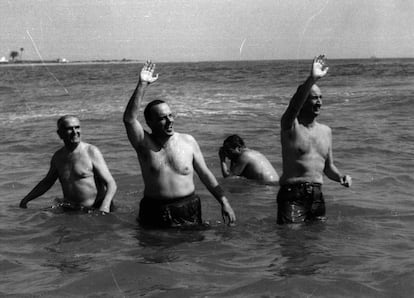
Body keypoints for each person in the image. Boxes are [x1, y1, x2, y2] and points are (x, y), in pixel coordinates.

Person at [123, 60, 236, 228]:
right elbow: (129, 119)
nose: (169, 121)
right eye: (162, 118)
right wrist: (142, 85)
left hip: (188, 208)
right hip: (154, 210)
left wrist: (224, 201)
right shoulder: (144, 143)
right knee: (154, 253)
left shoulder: (188, 141)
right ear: (149, 122)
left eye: (170, 115)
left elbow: (205, 175)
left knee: (189, 252)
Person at [277, 55, 352, 224]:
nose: (319, 102)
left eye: (321, 98)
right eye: (314, 98)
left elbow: (328, 167)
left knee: (316, 245)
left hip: (317, 196)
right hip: (292, 194)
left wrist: (341, 176)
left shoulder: (326, 131)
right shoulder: (290, 126)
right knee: (292, 244)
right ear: (304, 101)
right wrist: (311, 79)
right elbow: (294, 105)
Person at [19, 115, 117, 213]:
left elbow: (111, 183)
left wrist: (105, 205)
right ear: (59, 133)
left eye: (77, 127)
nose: (75, 132)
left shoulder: (91, 151)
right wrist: (26, 199)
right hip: (72, 209)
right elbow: (47, 182)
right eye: (69, 129)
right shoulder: (58, 157)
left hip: (95, 208)